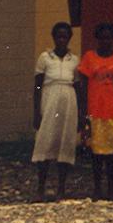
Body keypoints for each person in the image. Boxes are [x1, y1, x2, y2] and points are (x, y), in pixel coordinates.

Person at [78, 22, 113, 200]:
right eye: (102, 38)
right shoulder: (89, 58)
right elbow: (84, 86)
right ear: (97, 39)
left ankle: (111, 188)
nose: (106, 41)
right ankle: (97, 188)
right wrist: (84, 112)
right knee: (97, 154)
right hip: (96, 111)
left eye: (109, 38)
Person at [31, 21, 83, 201]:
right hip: (49, 99)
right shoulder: (45, 58)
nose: (62, 40)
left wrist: (81, 114)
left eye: (65, 37)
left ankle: (61, 188)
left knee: (65, 142)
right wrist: (36, 112)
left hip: (68, 102)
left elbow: (77, 86)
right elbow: (37, 86)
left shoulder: (74, 60)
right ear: (54, 37)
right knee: (45, 142)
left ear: (69, 38)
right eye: (59, 36)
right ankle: (41, 188)